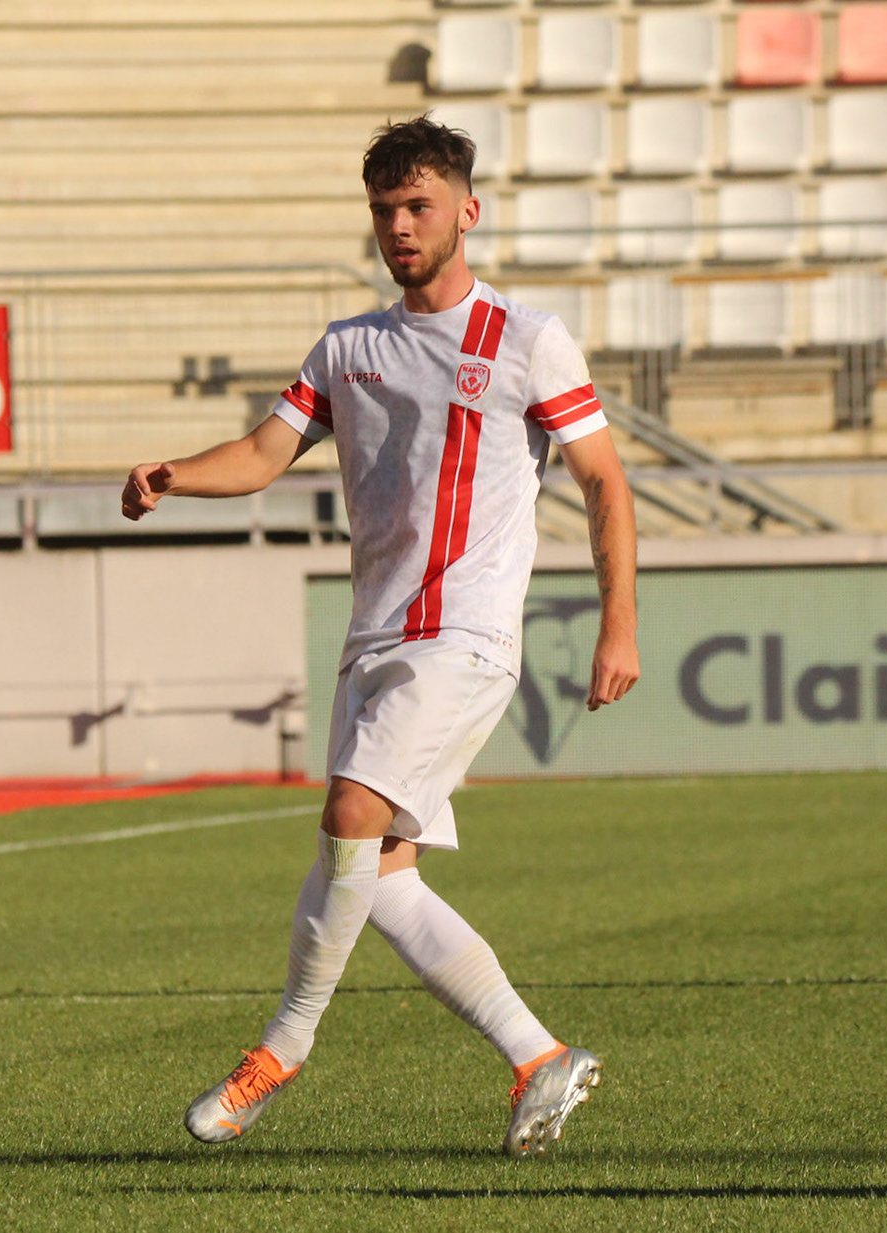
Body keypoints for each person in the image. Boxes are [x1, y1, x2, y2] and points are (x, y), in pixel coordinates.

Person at [120, 116, 639, 1156]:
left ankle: (283, 1046)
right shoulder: (348, 347)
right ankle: (538, 1056)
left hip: (468, 634)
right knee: (384, 874)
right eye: (384, 210)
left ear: (466, 212)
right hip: (374, 641)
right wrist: (174, 475)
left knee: (350, 812)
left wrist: (617, 623)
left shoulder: (527, 339)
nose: (399, 226)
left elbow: (604, 482)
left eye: (419, 207)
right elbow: (263, 454)